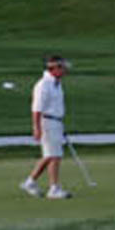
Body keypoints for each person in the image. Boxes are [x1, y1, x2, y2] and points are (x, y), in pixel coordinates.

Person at [19, 55, 72, 199]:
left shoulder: (57, 83)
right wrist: (36, 128)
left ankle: (30, 182)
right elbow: (37, 109)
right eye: (61, 67)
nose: (65, 70)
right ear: (53, 68)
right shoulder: (43, 85)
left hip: (56, 122)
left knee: (50, 155)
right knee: (55, 155)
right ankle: (53, 188)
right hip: (47, 122)